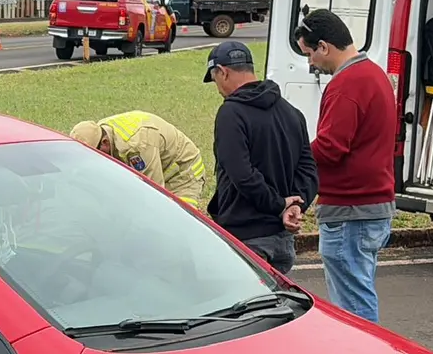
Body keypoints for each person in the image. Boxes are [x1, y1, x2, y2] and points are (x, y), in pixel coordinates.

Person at [297, 8, 397, 321]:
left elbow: (330, 147)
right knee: (359, 289)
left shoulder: (345, 85)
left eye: (310, 53)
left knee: (353, 307)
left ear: (324, 46)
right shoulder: (373, 74)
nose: (311, 62)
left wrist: (295, 155)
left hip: (350, 209)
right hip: (373, 204)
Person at [203, 40, 317, 274]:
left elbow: (241, 174)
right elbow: (308, 170)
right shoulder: (291, 112)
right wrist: (295, 204)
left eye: (215, 79)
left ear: (223, 72)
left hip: (246, 237)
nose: (218, 88)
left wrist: (278, 205)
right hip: (282, 239)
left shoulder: (231, 113)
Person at [68, 110, 208, 209]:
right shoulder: (98, 133)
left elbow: (153, 194)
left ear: (104, 142)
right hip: (156, 166)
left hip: (182, 172)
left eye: (94, 155)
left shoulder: (137, 145)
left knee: (176, 221)